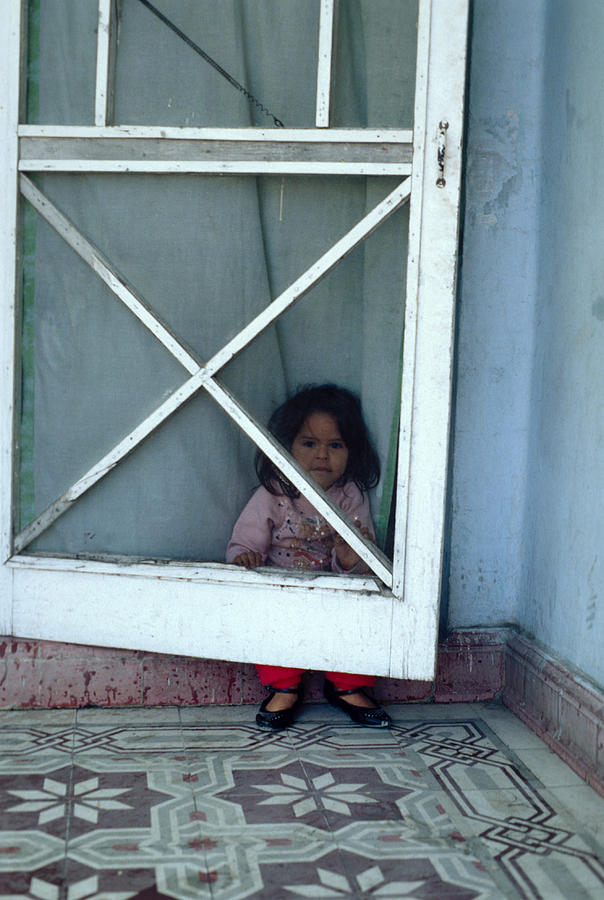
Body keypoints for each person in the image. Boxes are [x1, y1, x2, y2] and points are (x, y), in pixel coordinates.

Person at [226, 384, 391, 730]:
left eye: (335, 445)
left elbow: (364, 563)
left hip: (333, 588)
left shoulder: (350, 496)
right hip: (282, 587)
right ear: (288, 446)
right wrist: (247, 557)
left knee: (362, 609)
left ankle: (346, 685)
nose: (321, 456)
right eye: (309, 443)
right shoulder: (275, 491)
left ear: (352, 451)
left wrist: (349, 558)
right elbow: (246, 540)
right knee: (267, 614)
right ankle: (284, 685)